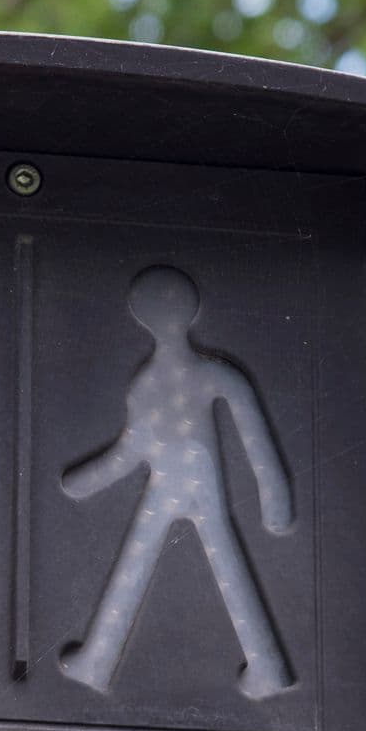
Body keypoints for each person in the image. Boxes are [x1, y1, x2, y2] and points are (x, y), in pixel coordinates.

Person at [61, 266, 296, 700]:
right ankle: (267, 668)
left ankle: (97, 661)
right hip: (191, 478)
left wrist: (85, 482)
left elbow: (129, 452)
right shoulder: (185, 379)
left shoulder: (149, 384)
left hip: (175, 479)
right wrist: (274, 497)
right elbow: (253, 440)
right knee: (220, 566)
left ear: (143, 318)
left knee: (149, 564)